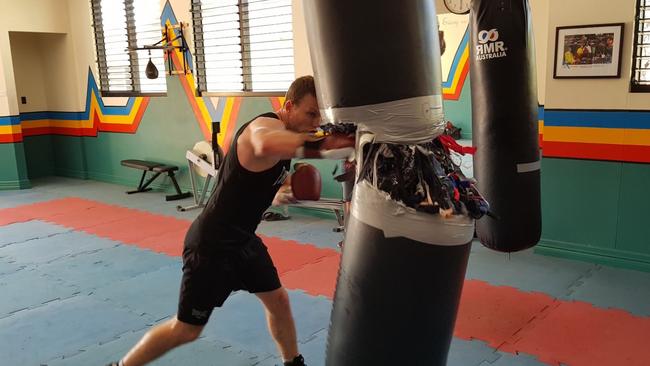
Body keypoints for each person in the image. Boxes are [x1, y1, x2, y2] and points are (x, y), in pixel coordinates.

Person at [106, 76, 355, 366]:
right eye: (311, 113)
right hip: (211, 246)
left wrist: (288, 191)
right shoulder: (263, 128)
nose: (316, 122)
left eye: (320, 116)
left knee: (278, 301)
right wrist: (333, 144)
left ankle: (293, 363)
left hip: (244, 241)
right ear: (289, 106)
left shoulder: (285, 140)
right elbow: (264, 143)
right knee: (187, 330)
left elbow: (266, 186)